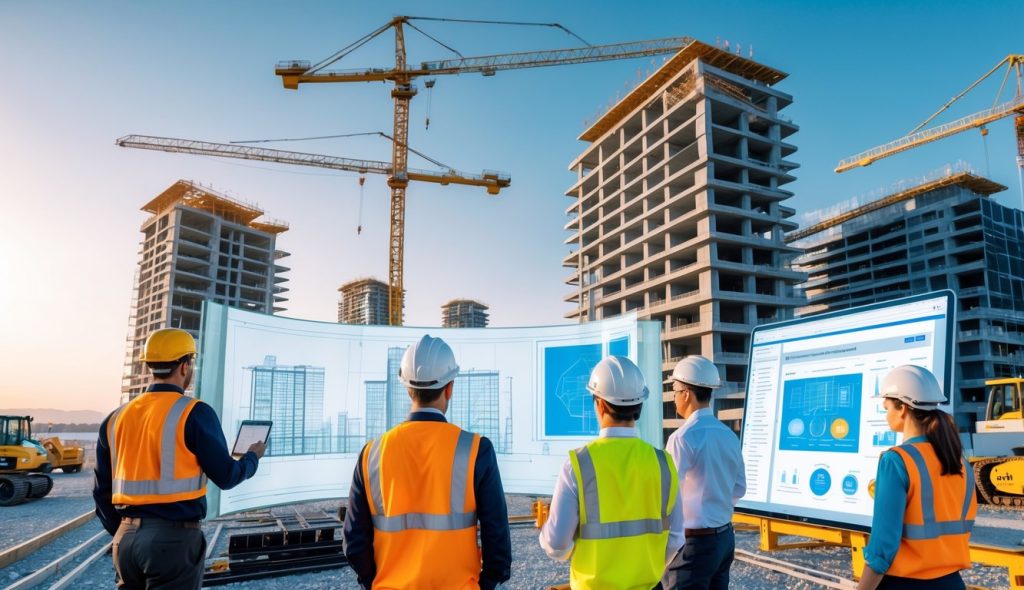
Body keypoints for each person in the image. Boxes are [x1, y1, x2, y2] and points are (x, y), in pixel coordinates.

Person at [94, 328, 266, 590]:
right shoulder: (194, 412)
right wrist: (252, 456)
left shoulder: (115, 418)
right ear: (185, 366)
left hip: (124, 540)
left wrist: (124, 533)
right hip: (172, 541)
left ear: (150, 366)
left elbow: (101, 492)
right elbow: (228, 476)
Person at [343, 334, 512, 589]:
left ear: (407, 388)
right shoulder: (476, 450)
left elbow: (354, 543)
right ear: (449, 388)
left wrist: (376, 582)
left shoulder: (372, 454)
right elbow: (497, 540)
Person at [540, 355, 684, 589]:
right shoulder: (663, 463)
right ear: (639, 405)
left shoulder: (579, 463)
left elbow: (556, 545)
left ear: (600, 404)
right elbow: (676, 538)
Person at [858, 365, 977, 590]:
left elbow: (882, 546)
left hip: (903, 584)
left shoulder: (896, 461)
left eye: (886, 408)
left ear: (902, 408)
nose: (886, 415)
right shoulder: (961, 462)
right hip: (952, 583)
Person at [660, 356, 746, 590]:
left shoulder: (682, 438)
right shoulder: (729, 435)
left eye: (675, 390)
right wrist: (715, 507)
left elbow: (667, 497)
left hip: (694, 544)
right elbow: (740, 487)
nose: (674, 396)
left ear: (686, 393)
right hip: (724, 539)